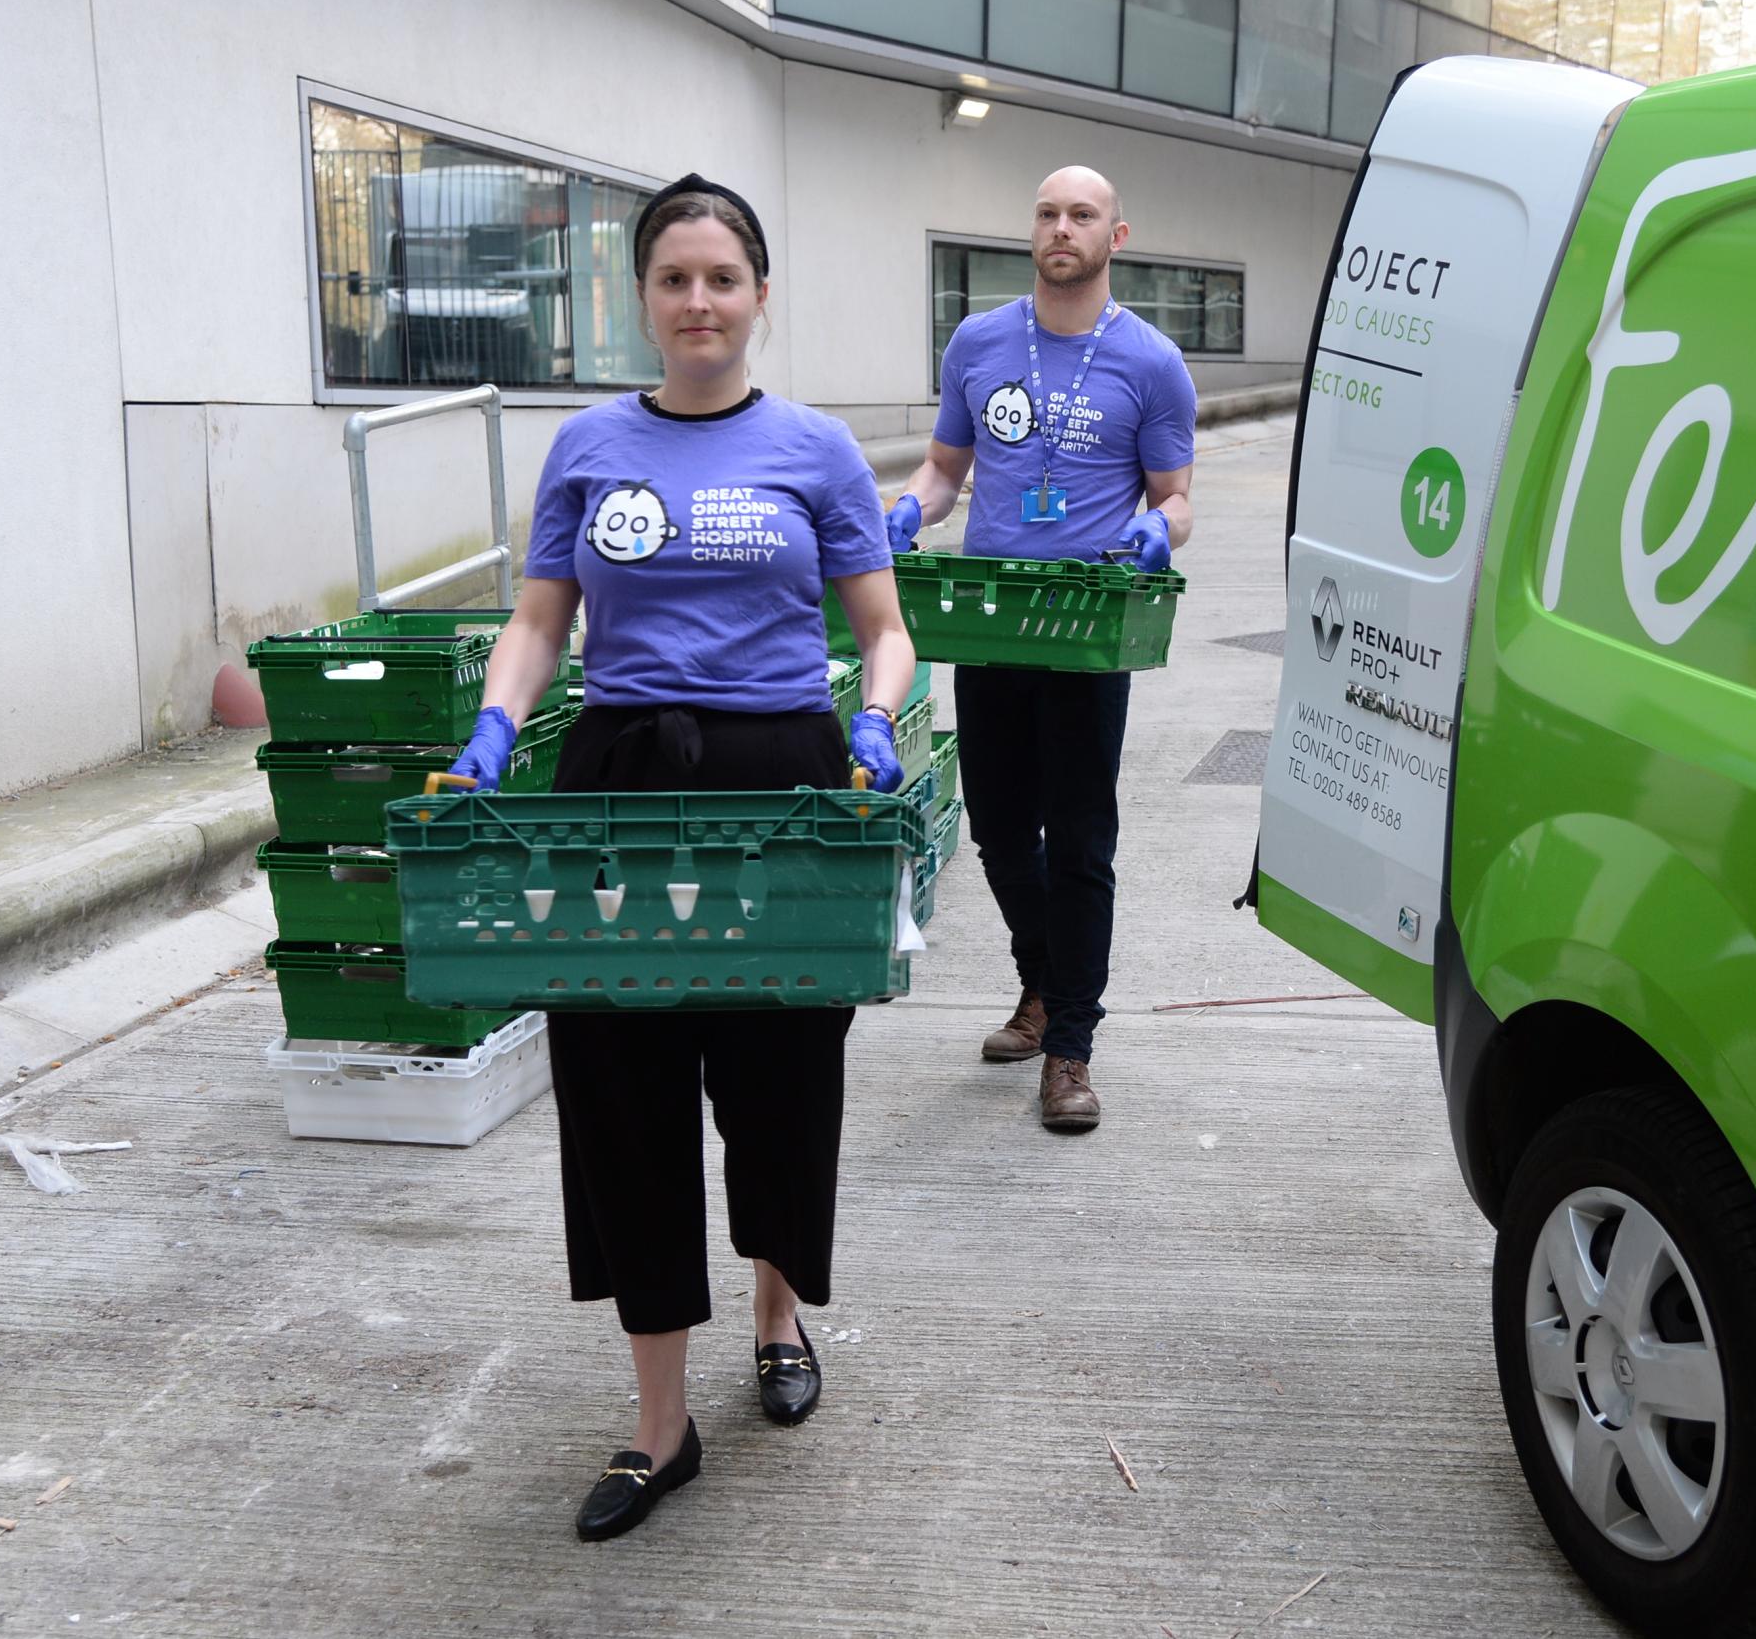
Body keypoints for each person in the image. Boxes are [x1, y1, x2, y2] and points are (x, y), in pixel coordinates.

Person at [443, 173, 917, 1543]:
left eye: (723, 278)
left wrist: (875, 723)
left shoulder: (818, 449)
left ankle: (778, 1316)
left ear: (760, 295)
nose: (699, 301)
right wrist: (493, 719)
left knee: (779, 1076)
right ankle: (660, 1424)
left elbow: (882, 627)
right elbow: (541, 620)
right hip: (618, 787)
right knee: (622, 1092)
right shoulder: (588, 445)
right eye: (674, 279)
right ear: (640, 298)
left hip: (781, 779)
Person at [885, 165, 1197, 1134]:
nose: (1062, 227)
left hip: (1085, 631)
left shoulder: (1149, 362)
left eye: (1082, 215)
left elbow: (1175, 496)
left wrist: (1160, 529)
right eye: (1048, 213)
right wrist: (908, 506)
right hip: (987, 620)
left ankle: (1069, 1045)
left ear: (1117, 233)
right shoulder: (979, 341)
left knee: (1080, 839)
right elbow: (946, 469)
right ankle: (1043, 985)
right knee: (995, 828)